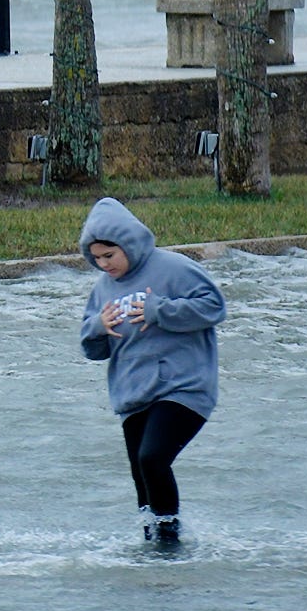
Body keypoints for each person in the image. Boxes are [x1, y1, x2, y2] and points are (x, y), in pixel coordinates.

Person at [77, 197, 225, 549]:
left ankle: (169, 543)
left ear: (127, 244)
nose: (103, 264)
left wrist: (160, 310)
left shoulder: (174, 268)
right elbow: (91, 348)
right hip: (133, 396)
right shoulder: (102, 289)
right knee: (142, 476)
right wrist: (99, 327)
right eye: (96, 258)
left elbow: (214, 306)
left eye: (109, 256)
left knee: (153, 458)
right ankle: (153, 546)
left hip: (184, 389)